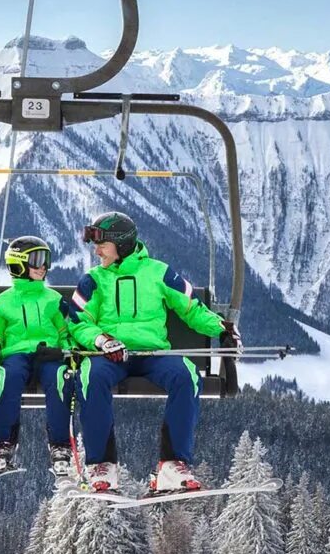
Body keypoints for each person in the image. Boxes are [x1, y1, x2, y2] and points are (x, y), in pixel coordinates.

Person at [65, 211, 228, 494]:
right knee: (91, 376)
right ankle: (102, 466)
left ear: (122, 243)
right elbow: (77, 322)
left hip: (153, 355)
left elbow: (191, 308)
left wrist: (222, 328)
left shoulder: (159, 272)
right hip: (109, 356)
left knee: (186, 374)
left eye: (102, 243)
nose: (96, 250)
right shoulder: (93, 279)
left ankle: (172, 464)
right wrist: (102, 341)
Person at [0, 235, 75, 482]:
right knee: (6, 377)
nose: (43, 266)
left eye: (46, 260)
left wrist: (67, 350)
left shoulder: (52, 300)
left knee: (60, 378)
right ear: (18, 264)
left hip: (49, 355)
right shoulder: (4, 303)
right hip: (16, 356)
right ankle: (4, 441)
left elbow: (65, 332)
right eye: (37, 260)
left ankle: (60, 444)